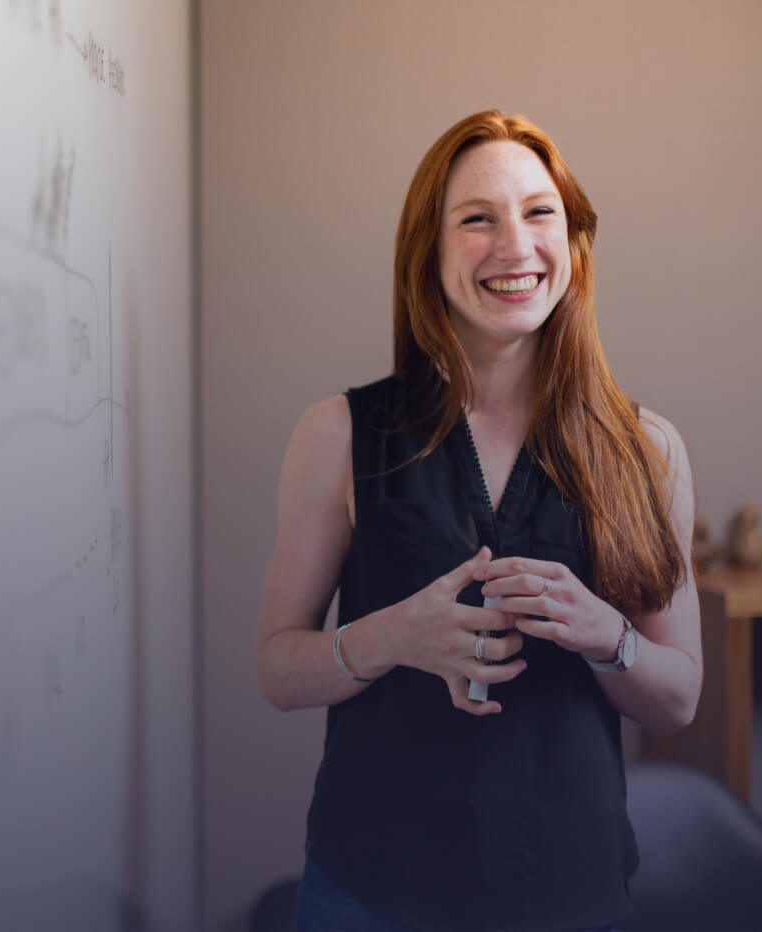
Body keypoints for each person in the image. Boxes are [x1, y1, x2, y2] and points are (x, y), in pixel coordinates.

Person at [255, 110, 701, 931]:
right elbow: (277, 669)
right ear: (428, 251)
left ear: (573, 242)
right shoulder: (337, 434)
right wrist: (392, 638)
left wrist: (607, 633)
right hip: (369, 896)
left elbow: (679, 698)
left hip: (573, 894)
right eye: (477, 219)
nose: (514, 245)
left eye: (539, 213)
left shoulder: (651, 448)